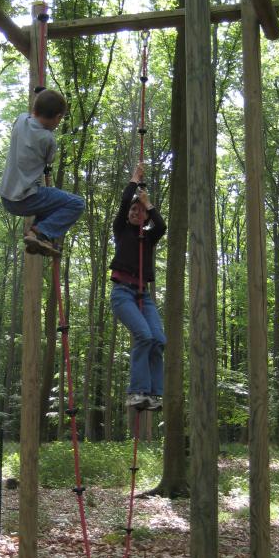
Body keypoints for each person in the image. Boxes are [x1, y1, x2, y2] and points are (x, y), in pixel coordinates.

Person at [0, 89, 84, 257]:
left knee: (49, 200)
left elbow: (31, 114)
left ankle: (38, 235)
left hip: (7, 197)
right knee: (76, 204)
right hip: (25, 198)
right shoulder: (48, 139)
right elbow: (50, 159)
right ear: (58, 118)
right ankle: (40, 232)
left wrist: (41, 96)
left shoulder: (20, 120)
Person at [109, 163, 166, 411]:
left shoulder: (149, 236)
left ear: (145, 217)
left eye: (139, 211)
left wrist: (148, 203)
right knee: (144, 335)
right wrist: (134, 180)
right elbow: (123, 204)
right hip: (123, 293)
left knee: (158, 340)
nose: (134, 213)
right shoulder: (122, 231)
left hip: (144, 295)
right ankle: (136, 392)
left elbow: (162, 226)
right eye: (133, 210)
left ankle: (152, 394)